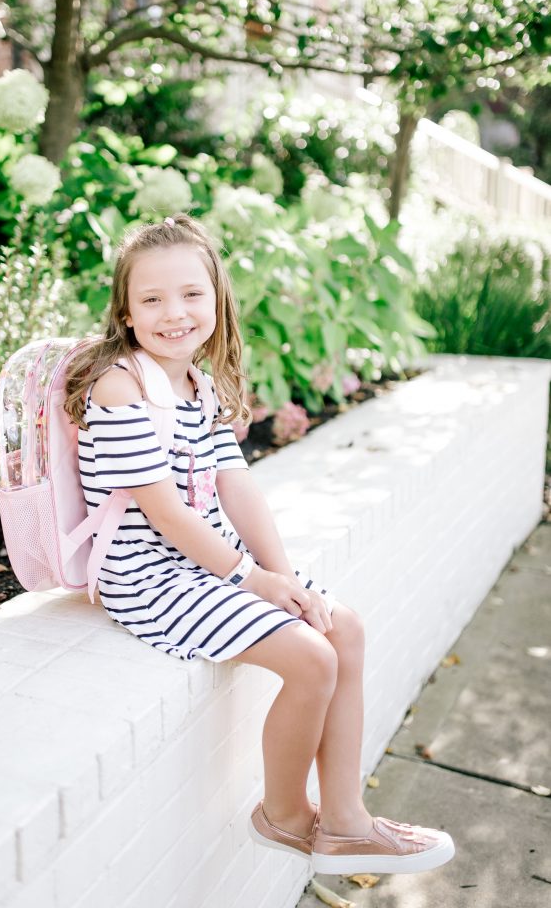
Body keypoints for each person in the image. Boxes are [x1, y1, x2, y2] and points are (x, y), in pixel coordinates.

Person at [64, 213, 455, 876]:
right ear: (126, 314)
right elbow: (163, 512)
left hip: (205, 566)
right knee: (310, 659)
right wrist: (251, 578)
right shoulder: (120, 386)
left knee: (342, 628)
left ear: (216, 299)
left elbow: (236, 484)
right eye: (152, 299)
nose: (174, 313)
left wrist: (284, 579)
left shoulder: (199, 383)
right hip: (149, 579)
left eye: (191, 294)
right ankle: (284, 814)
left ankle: (345, 820)